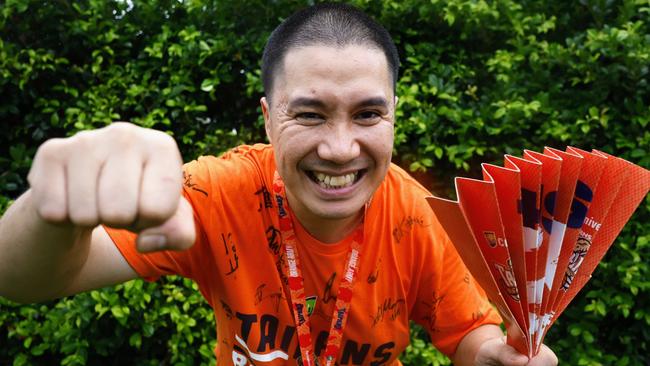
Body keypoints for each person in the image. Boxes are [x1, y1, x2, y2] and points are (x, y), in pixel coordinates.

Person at [0, 3, 558, 366]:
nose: (340, 148)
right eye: (310, 115)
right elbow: (22, 279)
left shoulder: (416, 213)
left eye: (367, 114)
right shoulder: (217, 194)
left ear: (393, 117)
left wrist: (493, 355)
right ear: (268, 119)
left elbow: (466, 332)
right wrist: (54, 210)